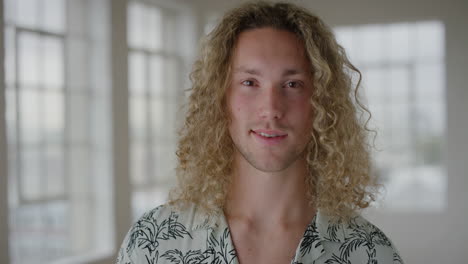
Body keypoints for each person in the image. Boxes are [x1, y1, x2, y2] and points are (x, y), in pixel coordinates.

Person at [117, 2, 404, 264]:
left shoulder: (371, 253)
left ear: (322, 102)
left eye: (292, 84)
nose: (271, 109)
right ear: (220, 97)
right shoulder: (152, 244)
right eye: (250, 82)